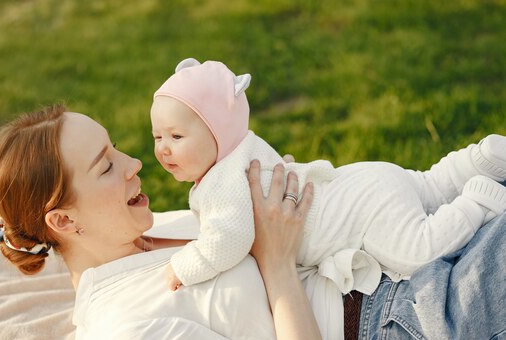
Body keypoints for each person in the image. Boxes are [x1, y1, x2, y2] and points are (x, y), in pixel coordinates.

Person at [0, 104, 506, 340]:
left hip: (404, 243)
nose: (136, 162)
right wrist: (279, 265)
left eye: (116, 147)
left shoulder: (153, 229)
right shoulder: (125, 334)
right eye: (105, 166)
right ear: (64, 222)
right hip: (411, 318)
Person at [151, 58, 506, 292]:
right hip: (363, 179)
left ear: (218, 131)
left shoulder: (223, 183)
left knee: (419, 250)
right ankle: (476, 160)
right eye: (157, 137)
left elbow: (228, 239)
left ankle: (477, 199)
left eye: (176, 136)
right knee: (428, 185)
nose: (163, 148)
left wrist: (185, 267)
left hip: (361, 216)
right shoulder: (247, 148)